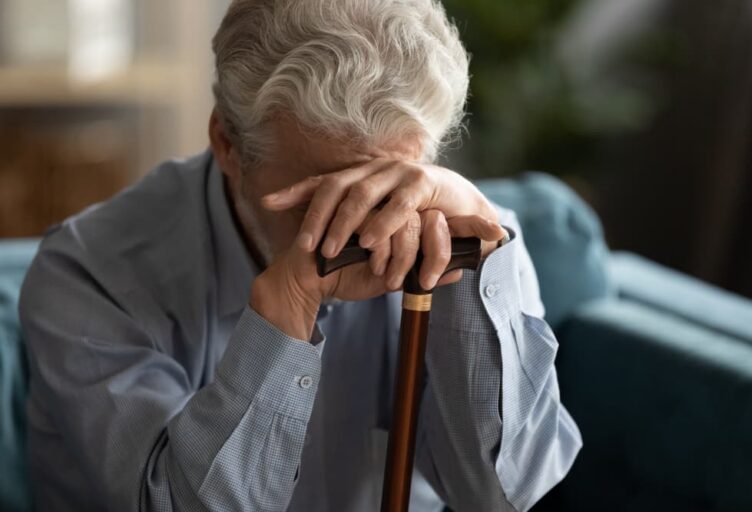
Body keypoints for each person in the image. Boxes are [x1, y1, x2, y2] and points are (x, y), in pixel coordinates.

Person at [19, 0, 582, 510]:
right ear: (228, 145)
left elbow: (504, 497)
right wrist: (282, 314)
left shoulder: (480, 241)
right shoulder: (87, 278)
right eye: (317, 202)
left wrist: (470, 273)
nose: (361, 235)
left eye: (384, 192)